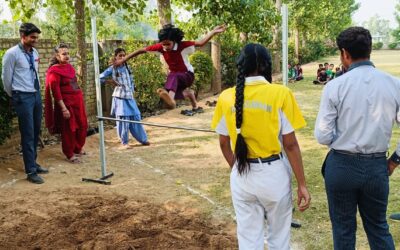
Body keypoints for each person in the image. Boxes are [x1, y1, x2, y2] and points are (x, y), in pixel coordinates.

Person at [211, 43, 311, 250]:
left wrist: (237, 168)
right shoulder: (280, 93)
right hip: (273, 175)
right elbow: (290, 145)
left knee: (248, 241)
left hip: (242, 176)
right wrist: (302, 184)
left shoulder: (226, 96)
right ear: (266, 65)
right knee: (279, 239)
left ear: (240, 65)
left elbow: (223, 143)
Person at [314, 27, 398, 250]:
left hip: (341, 164)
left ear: (344, 53)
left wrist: (341, 140)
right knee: (379, 228)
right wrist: (395, 160)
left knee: (343, 230)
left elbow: (322, 135)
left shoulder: (334, 86)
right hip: (377, 166)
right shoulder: (394, 84)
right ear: (370, 50)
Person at [114, 24, 226, 115]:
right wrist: (122, 61)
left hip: (187, 75)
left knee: (173, 76)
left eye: (168, 44)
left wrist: (213, 31)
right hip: (176, 79)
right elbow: (140, 50)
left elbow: (201, 42)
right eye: (164, 44)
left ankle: (171, 102)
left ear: (175, 41)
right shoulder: (159, 47)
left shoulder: (183, 45)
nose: (166, 47)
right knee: (176, 86)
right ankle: (190, 97)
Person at [1, 23, 48, 184]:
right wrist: (15, 95)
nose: (36, 40)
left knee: (35, 131)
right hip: (22, 97)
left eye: (37, 37)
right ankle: (31, 171)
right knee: (27, 134)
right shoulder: (11, 54)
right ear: (23, 37)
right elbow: (6, 79)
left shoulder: (34, 52)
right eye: (32, 37)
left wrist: (37, 92)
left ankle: (33, 163)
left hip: (35, 95)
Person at [45, 43, 88, 163]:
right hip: (66, 104)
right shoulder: (54, 71)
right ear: (57, 56)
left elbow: (74, 84)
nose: (67, 56)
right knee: (69, 129)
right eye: (64, 54)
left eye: (68, 53)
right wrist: (64, 109)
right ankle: (69, 154)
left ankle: (77, 148)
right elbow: (56, 92)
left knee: (82, 125)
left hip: (77, 103)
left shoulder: (69, 67)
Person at [100, 48, 150, 149]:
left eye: (124, 56)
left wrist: (132, 91)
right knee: (124, 119)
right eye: (120, 56)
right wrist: (110, 81)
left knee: (136, 117)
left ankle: (143, 139)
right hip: (120, 98)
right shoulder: (112, 69)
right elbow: (100, 77)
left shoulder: (128, 68)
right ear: (115, 57)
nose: (122, 58)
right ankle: (124, 142)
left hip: (129, 97)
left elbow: (131, 81)